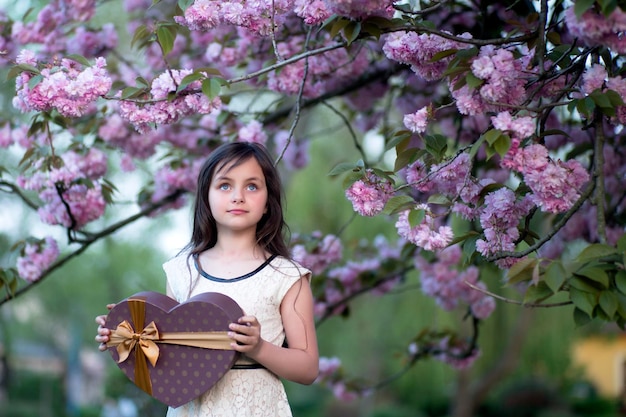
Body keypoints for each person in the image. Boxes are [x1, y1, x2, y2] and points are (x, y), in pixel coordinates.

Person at [95, 141, 319, 417]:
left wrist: (258, 347)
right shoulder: (181, 270)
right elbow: (167, 355)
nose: (238, 196)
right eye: (225, 185)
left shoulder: (287, 277)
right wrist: (122, 337)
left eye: (252, 186)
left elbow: (308, 369)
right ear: (206, 197)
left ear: (267, 203)